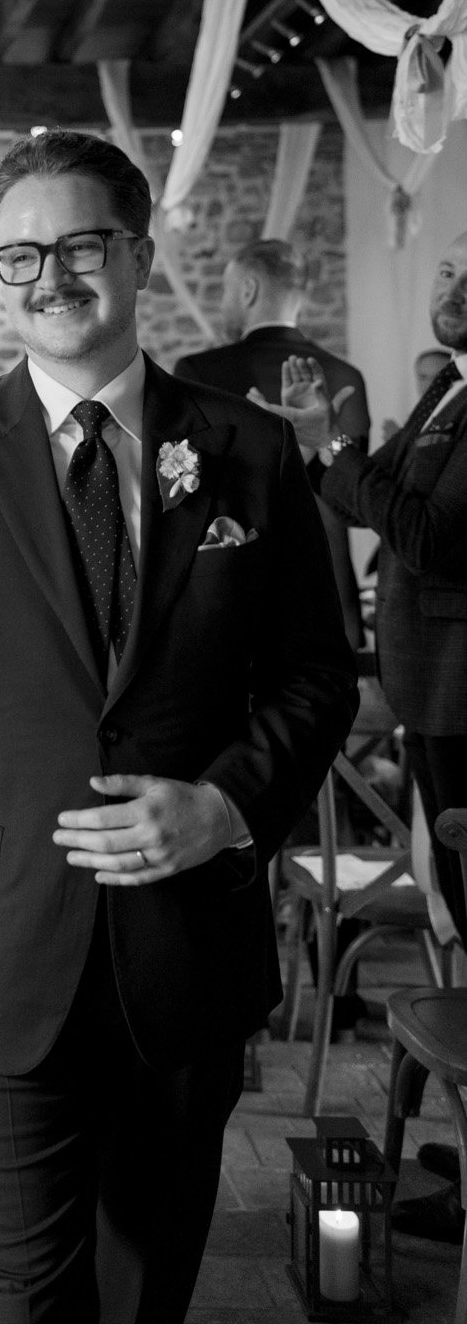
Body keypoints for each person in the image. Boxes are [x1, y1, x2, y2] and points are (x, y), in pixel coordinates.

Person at [0, 129, 358, 1324]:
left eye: (81, 242)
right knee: (25, 1295)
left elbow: (314, 673)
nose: (52, 274)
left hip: (186, 944)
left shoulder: (248, 449)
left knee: (143, 1292)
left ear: (140, 253)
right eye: (21, 252)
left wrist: (224, 804)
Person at [273, 232, 467, 947]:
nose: (453, 289)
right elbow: (360, 494)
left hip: (458, 688)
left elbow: (420, 535)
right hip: (427, 684)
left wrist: (332, 447)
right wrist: (321, 441)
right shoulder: (449, 384)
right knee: (453, 889)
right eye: (446, 271)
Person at [174, 237, 370, 647]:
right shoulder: (344, 376)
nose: (223, 302)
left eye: (226, 290)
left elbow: (188, 499)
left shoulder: (198, 371)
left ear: (248, 290)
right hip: (328, 591)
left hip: (238, 592)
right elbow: (354, 504)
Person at [381, 347, 453, 445]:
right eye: (423, 377)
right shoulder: (416, 418)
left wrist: (397, 440)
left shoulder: (460, 417)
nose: (429, 384)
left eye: (437, 377)